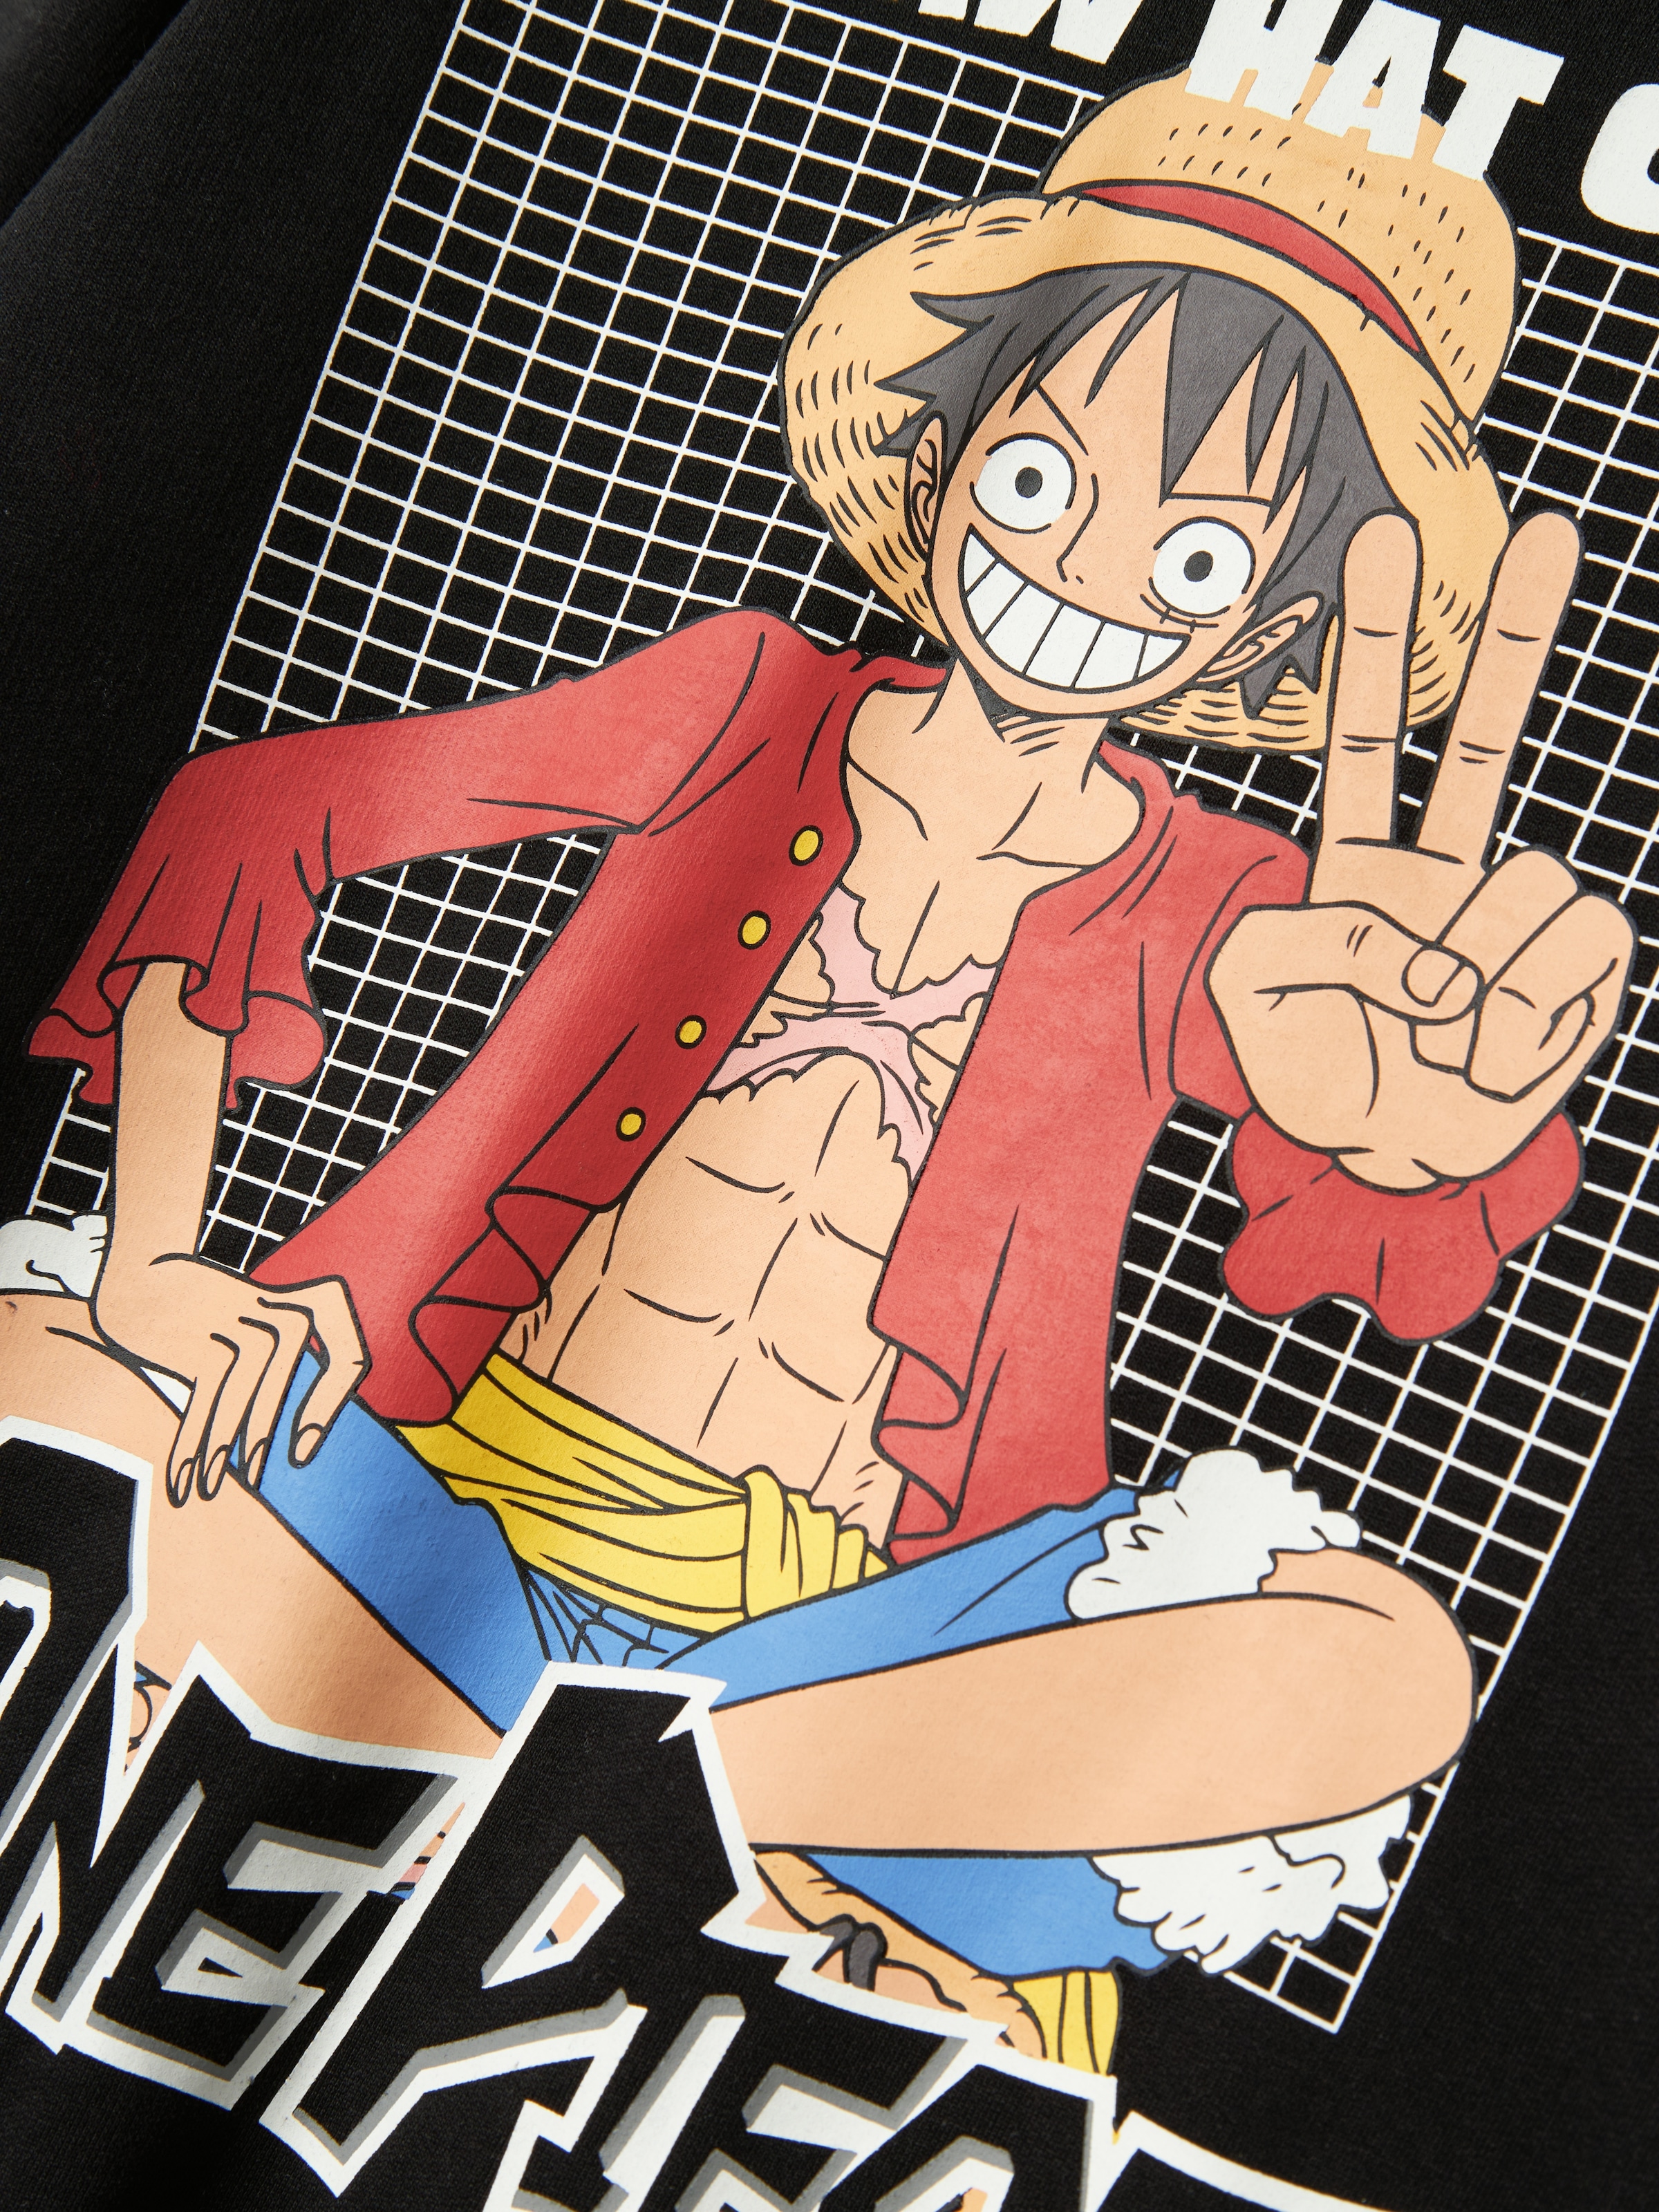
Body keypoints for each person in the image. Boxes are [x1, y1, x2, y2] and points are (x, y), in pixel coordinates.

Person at [1, 66, 1635, 2064]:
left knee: (1382, 1661)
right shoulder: (745, 701)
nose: (1092, 575)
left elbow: (1385, 1224)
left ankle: (636, 1802)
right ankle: (721, 1845)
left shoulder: (1244, 912)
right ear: (944, 456)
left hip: (864, 1634)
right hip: (441, 1497)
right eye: (1041, 481)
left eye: (1199, 561)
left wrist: (1422, 1137)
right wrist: (157, 1260)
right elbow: (258, 808)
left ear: (1268, 629)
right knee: (37, 1352)